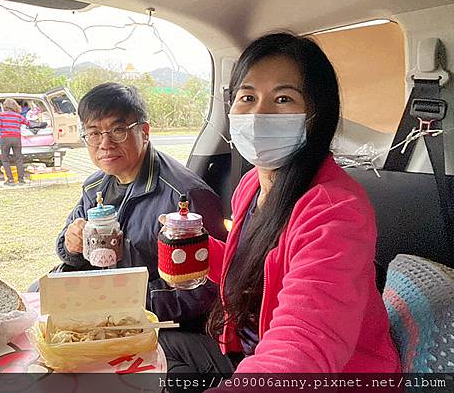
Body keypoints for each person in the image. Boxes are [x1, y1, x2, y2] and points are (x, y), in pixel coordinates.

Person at [160, 33, 401, 385]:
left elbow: (304, 345)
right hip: (248, 351)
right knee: (161, 349)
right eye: (247, 97)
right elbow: (257, 265)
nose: (259, 114)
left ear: (315, 115)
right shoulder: (252, 186)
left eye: (283, 98)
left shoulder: (336, 209)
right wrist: (193, 247)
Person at [51, 82, 227, 326]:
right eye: (93, 133)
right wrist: (72, 246)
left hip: (159, 324)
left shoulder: (184, 197)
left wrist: (123, 302)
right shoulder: (94, 188)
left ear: (144, 132)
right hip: (106, 309)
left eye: (118, 130)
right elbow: (69, 251)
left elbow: (204, 289)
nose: (105, 144)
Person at [0, 98, 30, 186]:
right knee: (18, 159)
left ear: (5, 106)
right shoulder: (18, 116)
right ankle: (21, 179)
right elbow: (27, 123)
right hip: (16, 139)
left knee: (5, 159)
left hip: (5, 139)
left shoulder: (1, 115)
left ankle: (10, 180)